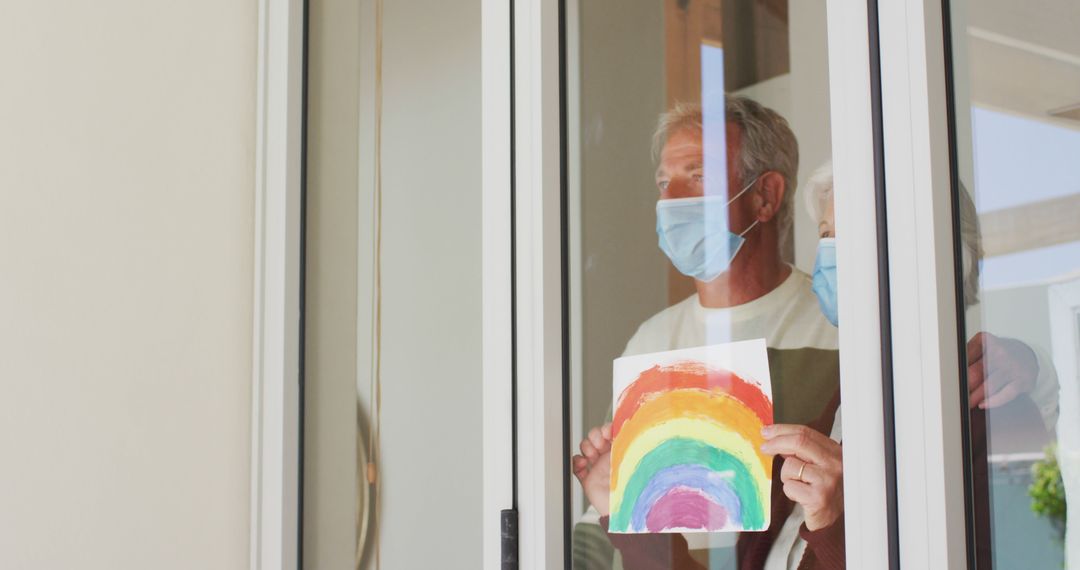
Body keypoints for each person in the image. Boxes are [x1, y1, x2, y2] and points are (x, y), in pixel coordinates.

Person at [571, 97, 841, 569]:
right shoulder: (652, 342)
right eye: (663, 182)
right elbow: (607, 525)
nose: (669, 199)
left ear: (765, 196)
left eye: (697, 175)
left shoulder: (838, 329)